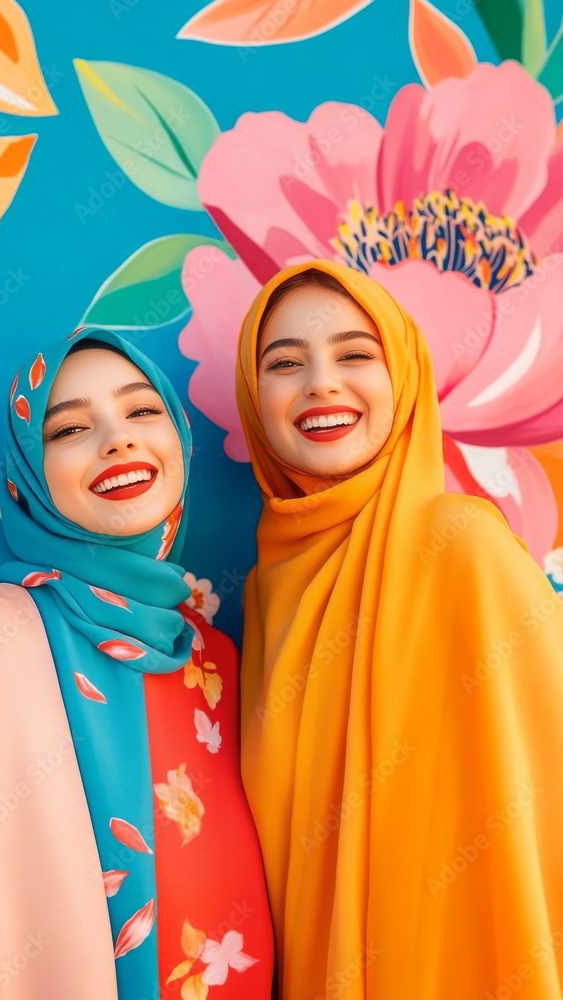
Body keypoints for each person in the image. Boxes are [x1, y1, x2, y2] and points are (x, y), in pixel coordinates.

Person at [0, 328, 274, 1000]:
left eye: (140, 411)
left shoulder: (210, 661)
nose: (117, 439)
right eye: (69, 428)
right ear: (30, 473)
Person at [235, 260, 563, 1000]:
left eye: (355, 354)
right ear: (255, 402)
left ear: (404, 378)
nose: (321, 382)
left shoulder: (462, 549)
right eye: (285, 363)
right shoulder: (262, 601)